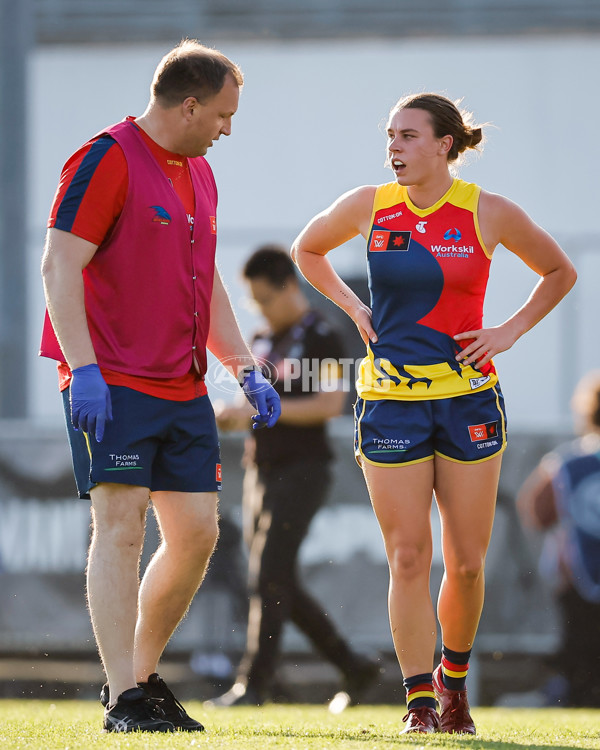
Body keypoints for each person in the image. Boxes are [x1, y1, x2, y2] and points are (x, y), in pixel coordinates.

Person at [291, 93, 577, 734]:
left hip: (468, 398)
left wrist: (509, 331)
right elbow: (306, 250)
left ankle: (454, 682)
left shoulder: (489, 212)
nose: (394, 147)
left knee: (468, 561)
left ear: (445, 144)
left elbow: (559, 271)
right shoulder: (370, 205)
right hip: (390, 400)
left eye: (409, 136)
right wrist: (351, 308)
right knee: (408, 557)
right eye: (390, 135)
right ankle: (420, 703)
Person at [39, 40, 280, 733]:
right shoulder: (105, 158)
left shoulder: (199, 174)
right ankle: (122, 697)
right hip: (110, 379)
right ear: (190, 104)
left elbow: (205, 281)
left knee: (198, 535)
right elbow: (59, 265)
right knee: (120, 528)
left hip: (184, 385)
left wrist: (243, 366)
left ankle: (139, 677)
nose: (228, 130)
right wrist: (82, 367)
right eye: (224, 116)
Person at [206, 245, 380, 710]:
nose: (258, 309)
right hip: (261, 469)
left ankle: (255, 684)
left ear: (287, 285)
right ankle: (353, 665)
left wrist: (263, 413)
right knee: (273, 578)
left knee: (269, 576)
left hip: (304, 470)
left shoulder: (322, 335)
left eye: (263, 298)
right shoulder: (261, 340)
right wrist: (236, 416)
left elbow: (328, 405)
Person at [517, 371, 600, 707]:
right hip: (578, 575)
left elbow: (536, 512)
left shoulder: (568, 462)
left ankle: (580, 693)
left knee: (581, 651)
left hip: (577, 574)